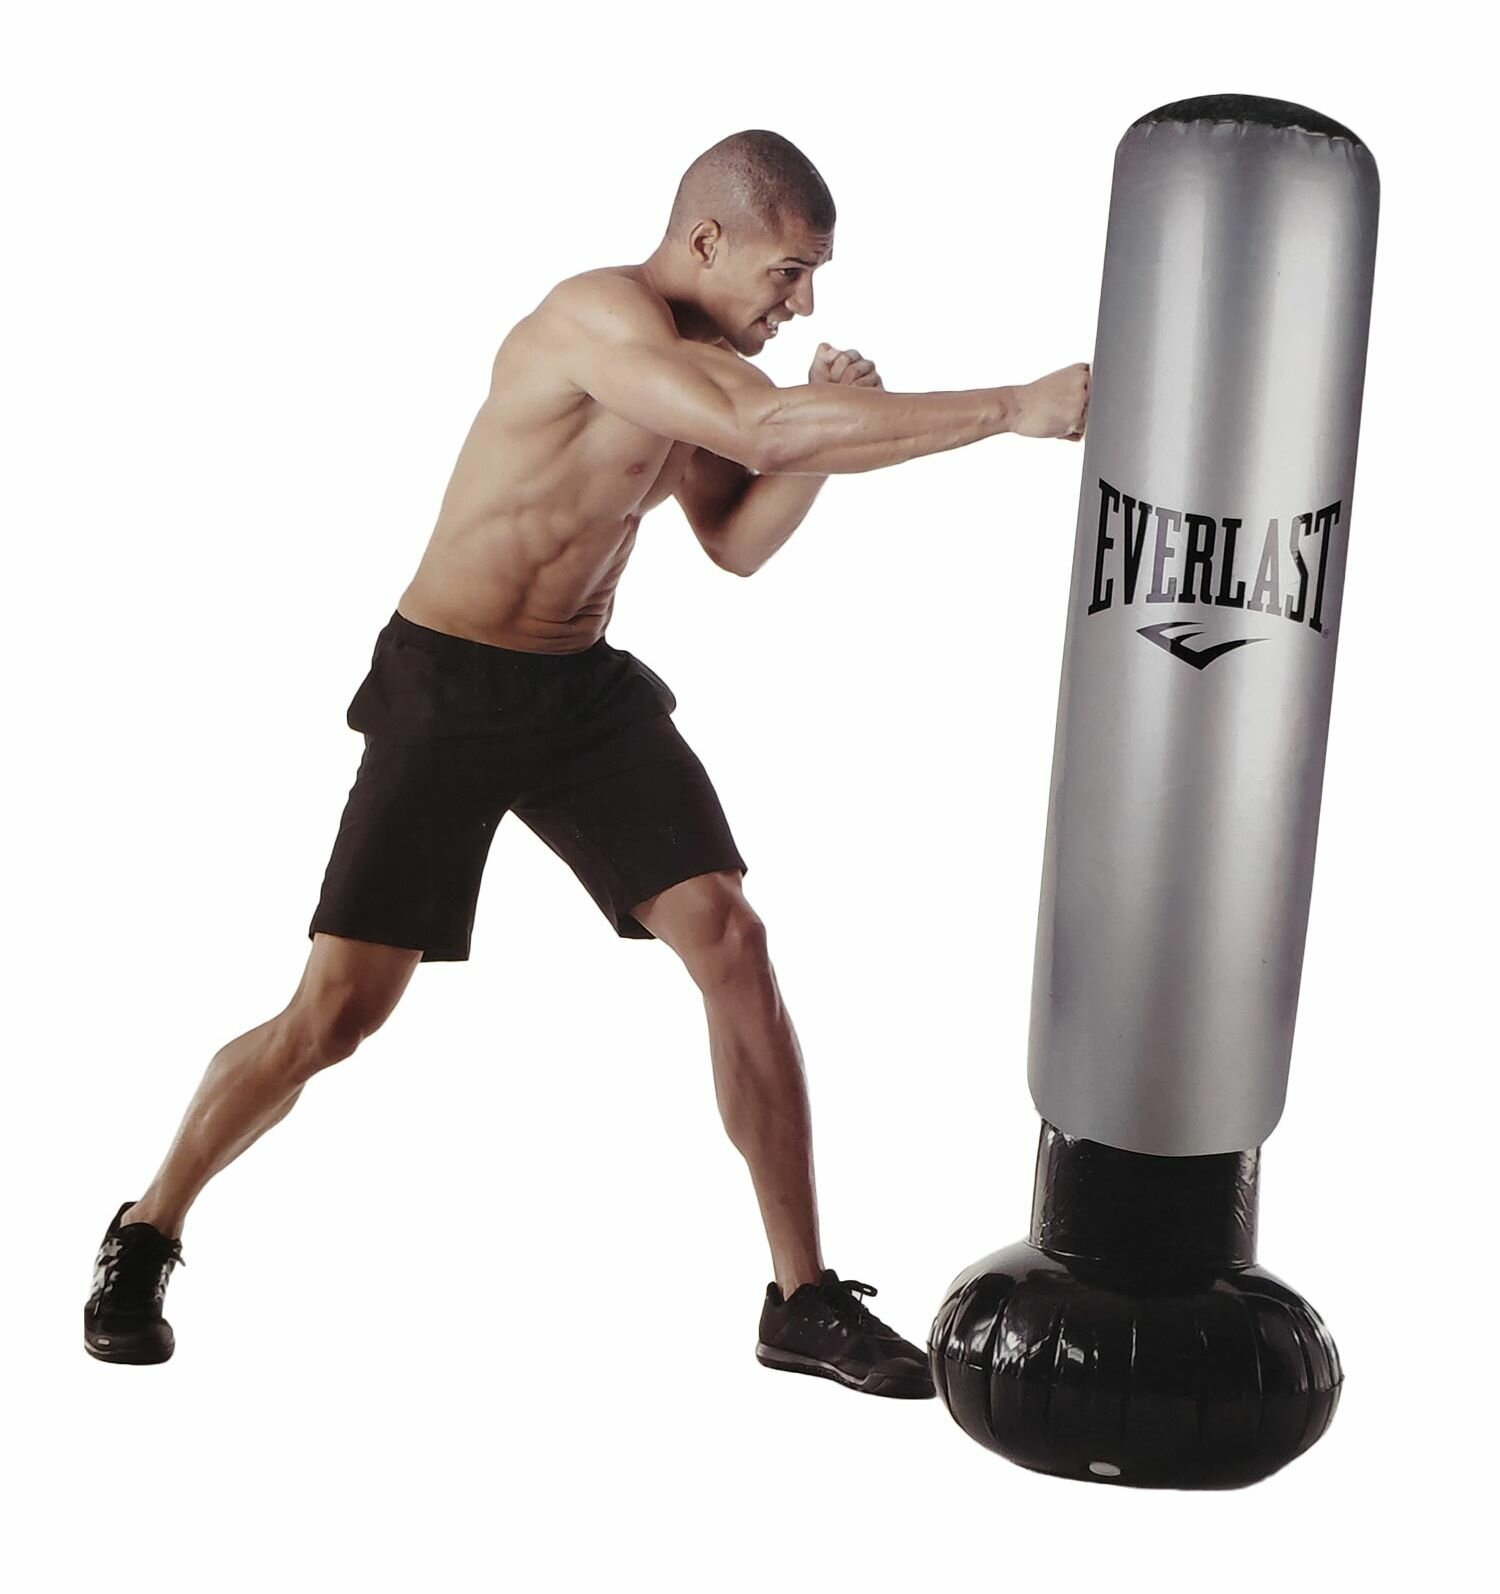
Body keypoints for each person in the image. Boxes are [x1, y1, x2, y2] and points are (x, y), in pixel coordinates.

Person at [84, 129, 1089, 1395]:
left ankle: (802, 1299)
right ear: (707, 239)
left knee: (731, 938)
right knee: (334, 1016)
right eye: (788, 272)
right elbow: (767, 430)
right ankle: (148, 1229)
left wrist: (824, 441)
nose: (800, 303)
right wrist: (1012, 409)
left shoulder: (712, 371)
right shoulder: (596, 319)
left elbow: (735, 538)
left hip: (579, 693)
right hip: (450, 686)